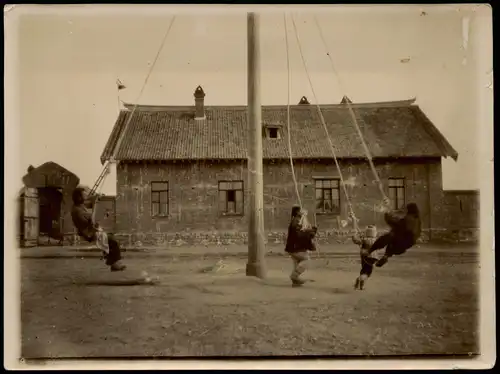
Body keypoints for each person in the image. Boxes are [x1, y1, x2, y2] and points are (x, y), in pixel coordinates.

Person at [71, 187, 126, 272]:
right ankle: (115, 264)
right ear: (79, 196)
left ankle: (113, 263)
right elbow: (92, 221)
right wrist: (95, 203)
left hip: (91, 231)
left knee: (111, 240)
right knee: (113, 241)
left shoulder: (79, 206)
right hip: (90, 233)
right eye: (84, 194)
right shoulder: (77, 210)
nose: (86, 195)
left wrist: (96, 199)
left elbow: (89, 205)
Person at [368, 199, 422, 268]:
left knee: (387, 237)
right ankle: (386, 256)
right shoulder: (418, 220)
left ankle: (370, 250)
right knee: (392, 244)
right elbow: (417, 232)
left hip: (402, 240)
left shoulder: (409, 218)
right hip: (408, 244)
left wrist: (387, 216)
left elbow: (396, 224)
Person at [284, 206, 318, 287]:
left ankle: (295, 282)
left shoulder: (296, 221)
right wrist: (311, 232)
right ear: (298, 212)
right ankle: (294, 276)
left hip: (294, 247)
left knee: (297, 263)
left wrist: (310, 231)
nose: (304, 212)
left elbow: (301, 231)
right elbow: (299, 235)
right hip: (295, 248)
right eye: (302, 211)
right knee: (306, 260)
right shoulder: (296, 221)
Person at [351, 222, 381, 290]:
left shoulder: (364, 239)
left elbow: (355, 240)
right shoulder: (375, 240)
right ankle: (360, 279)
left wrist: (355, 234)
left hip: (364, 257)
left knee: (364, 270)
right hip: (372, 258)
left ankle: (360, 285)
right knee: (368, 273)